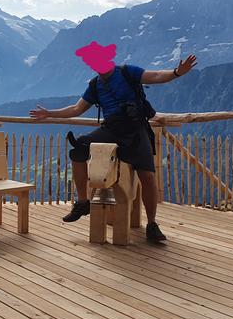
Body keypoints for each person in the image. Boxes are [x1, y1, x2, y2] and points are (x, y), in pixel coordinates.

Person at [30, 41, 197, 242]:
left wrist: (177, 72)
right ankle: (83, 202)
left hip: (136, 130)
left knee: (147, 177)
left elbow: (156, 76)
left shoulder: (127, 72)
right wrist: (49, 113)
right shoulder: (95, 85)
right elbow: (76, 109)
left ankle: (152, 224)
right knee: (78, 150)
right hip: (111, 129)